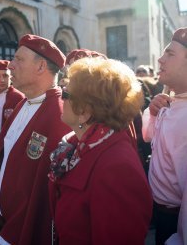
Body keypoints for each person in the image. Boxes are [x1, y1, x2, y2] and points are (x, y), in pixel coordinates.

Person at [48, 57, 153, 244]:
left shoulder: (117, 167)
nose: (60, 97)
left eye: (65, 94)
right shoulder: (77, 147)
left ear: (86, 110)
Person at [0, 34, 71, 245]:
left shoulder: (61, 114)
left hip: (29, 232)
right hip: (7, 224)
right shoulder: (24, 103)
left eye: (18, 60)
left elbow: (50, 190)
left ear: (41, 66)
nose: (10, 66)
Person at [142, 27, 187, 245]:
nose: (160, 59)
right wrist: (151, 112)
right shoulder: (171, 101)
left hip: (176, 221)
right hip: (159, 214)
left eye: (170, 54)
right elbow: (148, 136)